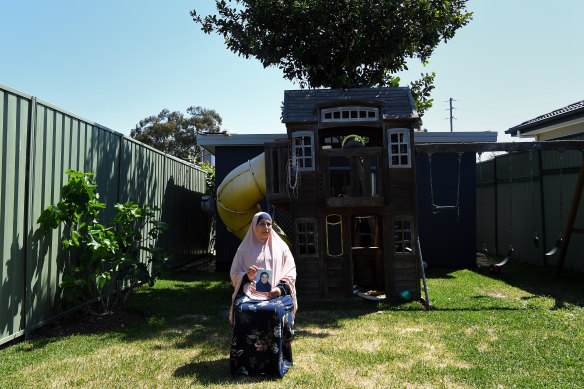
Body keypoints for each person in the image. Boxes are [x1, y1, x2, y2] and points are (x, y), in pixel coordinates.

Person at [229, 211, 297, 377]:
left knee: (275, 311)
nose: (266, 227)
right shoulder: (244, 249)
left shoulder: (281, 247)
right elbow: (234, 274)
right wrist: (247, 276)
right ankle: (244, 363)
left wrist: (279, 289)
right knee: (241, 309)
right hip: (250, 293)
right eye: (262, 224)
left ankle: (276, 361)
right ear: (254, 226)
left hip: (277, 294)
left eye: (269, 224)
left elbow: (291, 272)